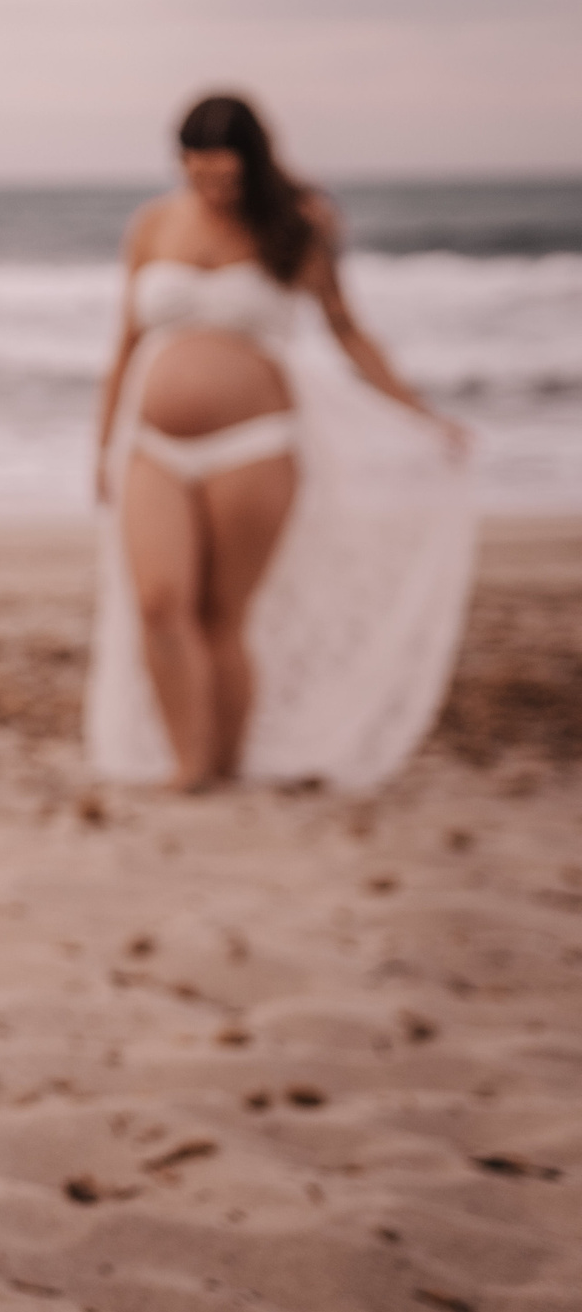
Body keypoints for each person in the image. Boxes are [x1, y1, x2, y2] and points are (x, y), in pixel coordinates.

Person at [86, 91, 475, 792]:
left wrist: (422, 416)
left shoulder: (295, 224)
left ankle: (224, 766)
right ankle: (187, 764)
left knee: (222, 615)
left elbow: (347, 329)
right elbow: (124, 344)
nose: (215, 188)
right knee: (159, 603)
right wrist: (100, 446)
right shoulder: (152, 225)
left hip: (255, 446)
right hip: (152, 445)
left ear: (254, 165)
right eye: (201, 174)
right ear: (181, 163)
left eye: (229, 176)